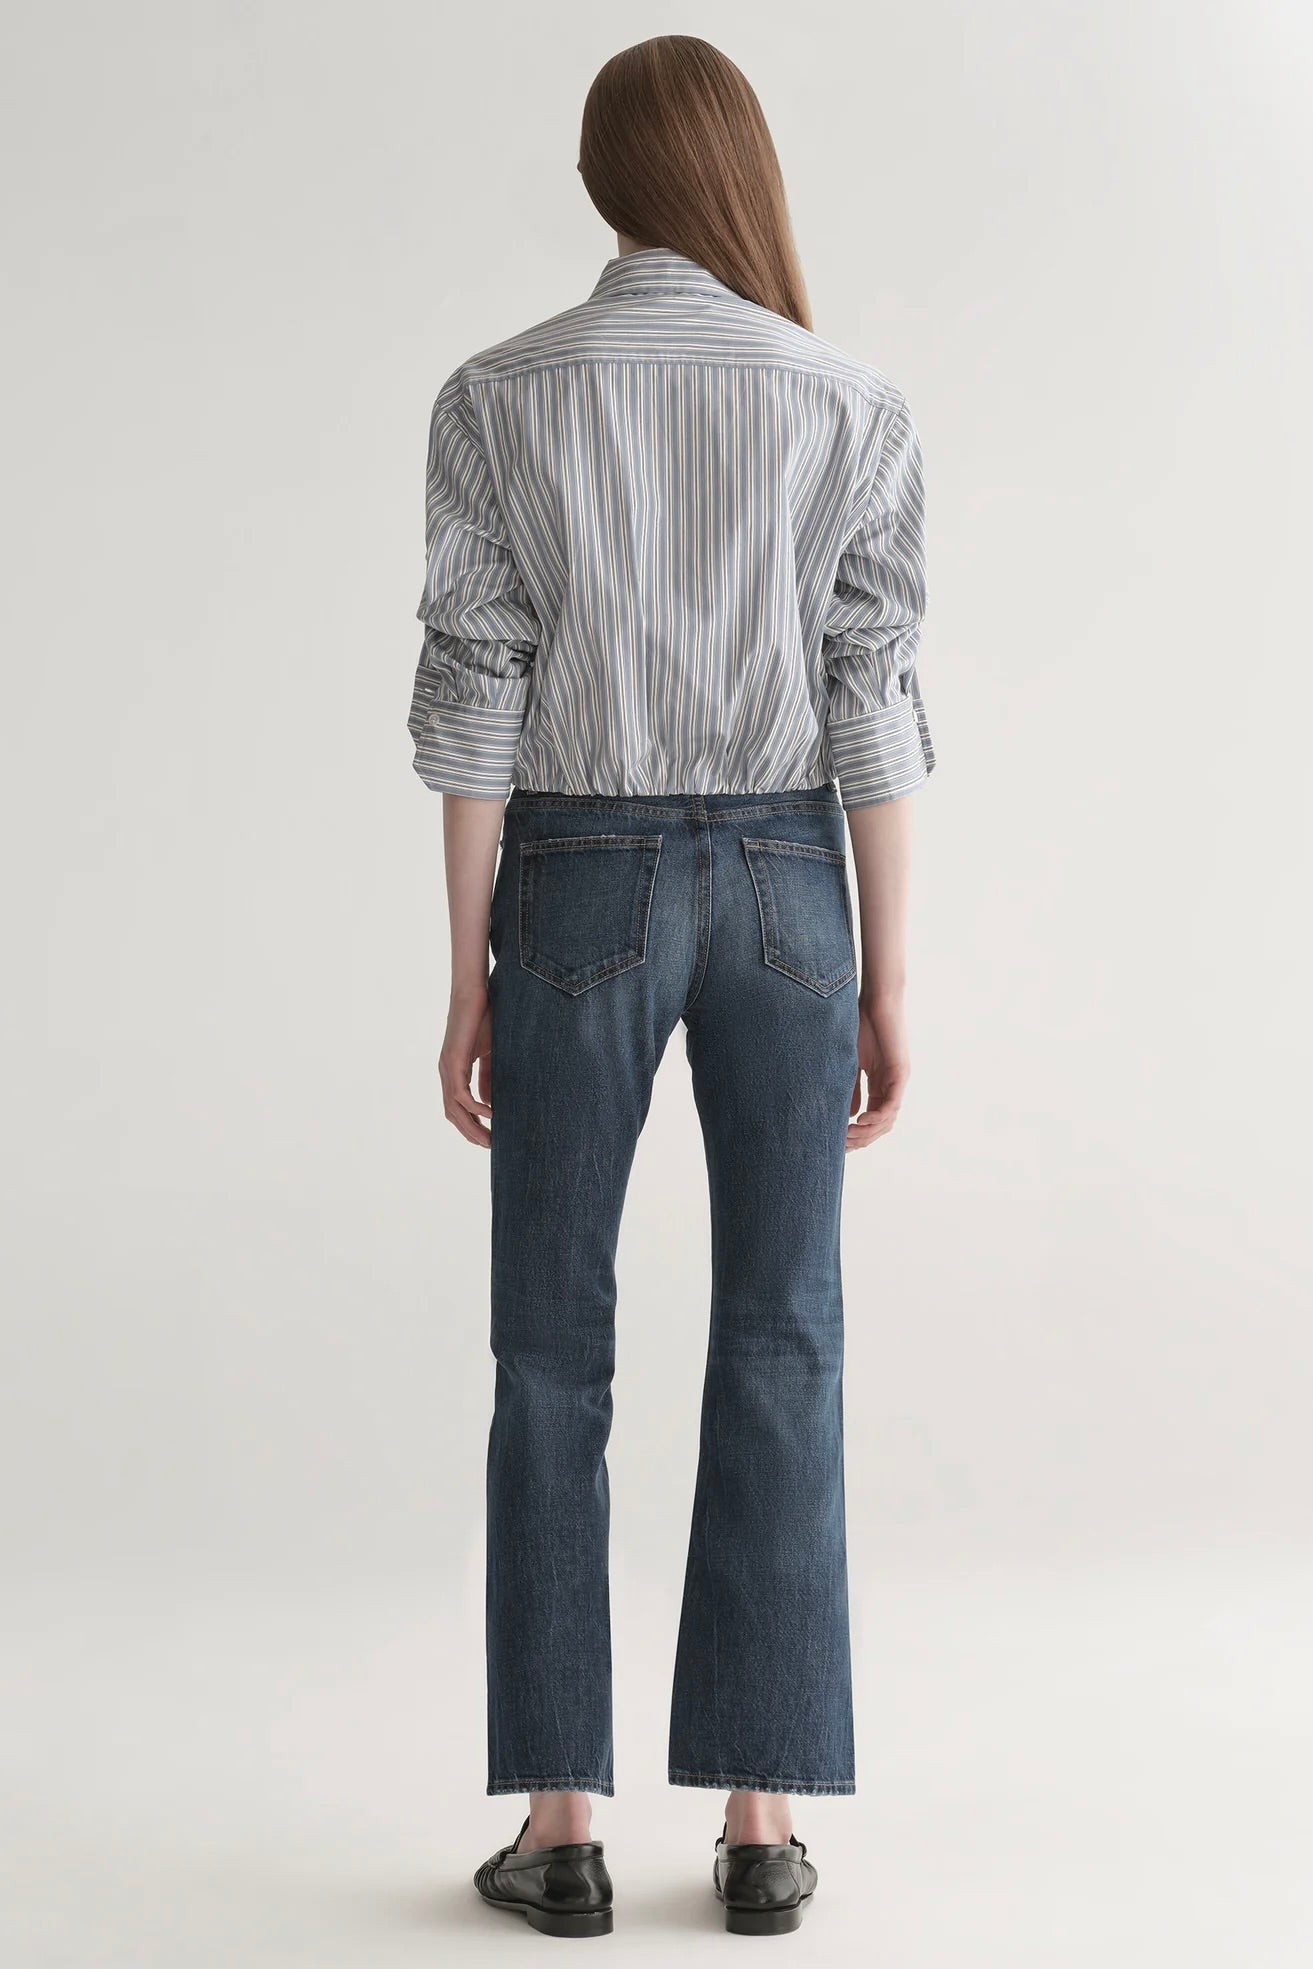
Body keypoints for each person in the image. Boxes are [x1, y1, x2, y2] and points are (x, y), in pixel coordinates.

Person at [407, 33, 934, 1940]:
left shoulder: (497, 395)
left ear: (598, 179)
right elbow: (870, 698)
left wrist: (465, 971)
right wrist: (886, 973)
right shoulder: (847, 400)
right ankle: (759, 1819)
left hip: (571, 877)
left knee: (549, 1348)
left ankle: (559, 1826)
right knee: (785, 1333)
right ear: (737, 173)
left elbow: (475, 690)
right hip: (793, 880)